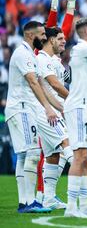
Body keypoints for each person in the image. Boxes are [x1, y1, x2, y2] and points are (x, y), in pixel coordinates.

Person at [5, 21, 57, 213]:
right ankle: (29, 202)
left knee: (24, 155)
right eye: (42, 34)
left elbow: (42, 84)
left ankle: (24, 202)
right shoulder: (22, 54)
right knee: (34, 153)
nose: (45, 38)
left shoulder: (30, 55)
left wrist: (59, 106)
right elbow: (34, 83)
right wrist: (47, 107)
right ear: (30, 35)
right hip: (22, 108)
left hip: (23, 109)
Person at [63, 17, 87, 218]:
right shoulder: (82, 48)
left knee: (86, 156)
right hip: (78, 107)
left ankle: (84, 204)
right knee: (79, 156)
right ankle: (71, 206)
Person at [36, 27, 74, 210]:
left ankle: (48, 198)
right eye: (59, 38)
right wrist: (72, 101)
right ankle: (82, 175)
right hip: (46, 112)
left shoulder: (55, 61)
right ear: (50, 40)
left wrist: (63, 107)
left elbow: (57, 88)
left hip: (54, 110)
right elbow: (54, 86)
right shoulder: (42, 60)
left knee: (53, 155)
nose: (63, 41)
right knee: (67, 141)